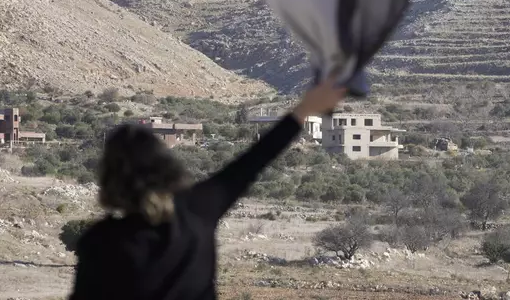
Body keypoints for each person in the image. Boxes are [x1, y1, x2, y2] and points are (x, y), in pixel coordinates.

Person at [69, 77, 347, 300]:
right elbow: (254, 160)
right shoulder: (198, 209)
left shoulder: (100, 243)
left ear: (110, 178)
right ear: (166, 165)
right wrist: (305, 108)